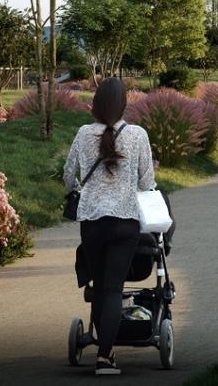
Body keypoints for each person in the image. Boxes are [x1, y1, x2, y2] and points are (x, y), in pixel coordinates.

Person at [63, 77, 156, 376]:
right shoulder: (138, 134)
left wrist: (79, 190)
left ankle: (103, 349)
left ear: (95, 104)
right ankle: (105, 358)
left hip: (92, 223)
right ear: (123, 104)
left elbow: (68, 175)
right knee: (114, 290)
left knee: (100, 287)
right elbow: (146, 181)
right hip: (125, 222)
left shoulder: (82, 133)